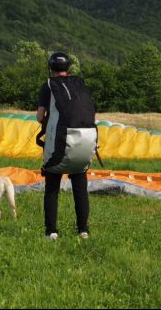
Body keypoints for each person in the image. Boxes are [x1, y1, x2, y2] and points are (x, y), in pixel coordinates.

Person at [36, 52, 97, 240]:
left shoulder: (48, 86)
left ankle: (52, 232)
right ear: (69, 68)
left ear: (51, 68)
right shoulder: (79, 84)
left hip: (60, 143)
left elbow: (40, 117)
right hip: (85, 141)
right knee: (80, 188)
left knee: (52, 188)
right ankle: (83, 230)